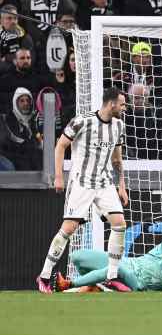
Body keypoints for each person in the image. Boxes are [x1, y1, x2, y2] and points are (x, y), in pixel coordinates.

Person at [36, 87, 130, 293]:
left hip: (104, 183)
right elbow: (60, 146)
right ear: (111, 103)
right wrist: (59, 176)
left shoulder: (119, 126)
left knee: (119, 224)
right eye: (122, 104)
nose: (124, 108)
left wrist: (121, 186)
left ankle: (111, 276)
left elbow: (117, 159)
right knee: (69, 228)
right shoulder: (82, 121)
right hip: (82, 183)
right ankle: (44, 275)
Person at [57, 228, 162, 292]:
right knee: (78, 257)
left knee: (116, 269)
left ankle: (69, 284)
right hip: (131, 263)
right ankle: (94, 286)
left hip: (139, 283)